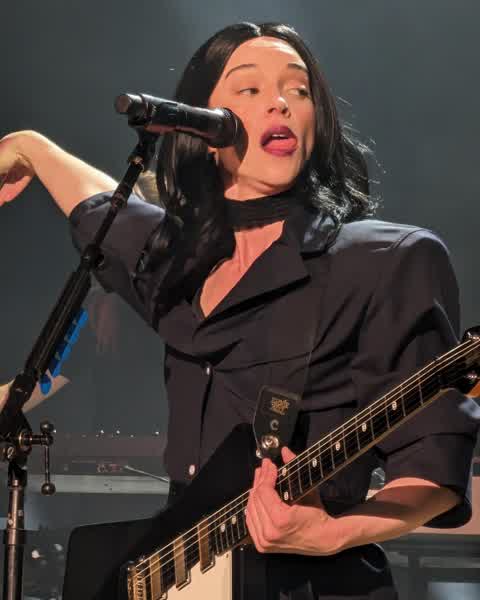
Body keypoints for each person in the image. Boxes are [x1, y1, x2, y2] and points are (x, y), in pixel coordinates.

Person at [0, 21, 478, 600]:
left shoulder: (386, 260)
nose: (281, 103)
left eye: (298, 90)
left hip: (314, 584)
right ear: (203, 128)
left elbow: (431, 464)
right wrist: (30, 147)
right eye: (249, 89)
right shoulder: (180, 261)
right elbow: (103, 210)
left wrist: (328, 533)